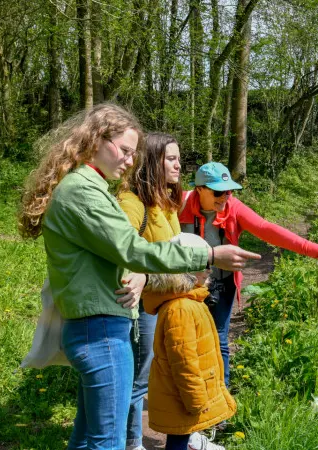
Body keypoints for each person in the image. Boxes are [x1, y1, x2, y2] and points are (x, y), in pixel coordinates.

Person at [17, 104, 259, 450]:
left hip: (96, 326)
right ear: (96, 140)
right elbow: (133, 249)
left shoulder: (88, 187)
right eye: (125, 150)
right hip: (100, 331)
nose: (130, 161)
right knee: (108, 442)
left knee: (88, 438)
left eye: (134, 153)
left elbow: (116, 251)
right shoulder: (84, 192)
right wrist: (207, 254)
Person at [179, 162, 318, 387]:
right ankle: (190, 392)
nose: (225, 197)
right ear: (200, 189)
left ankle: (221, 397)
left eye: (229, 191)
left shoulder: (232, 207)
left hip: (222, 284)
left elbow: (266, 229)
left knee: (219, 339)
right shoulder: (178, 204)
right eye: (218, 192)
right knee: (188, 340)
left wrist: (311, 249)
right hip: (186, 286)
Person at [117, 133, 184, 450]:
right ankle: (131, 441)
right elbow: (120, 251)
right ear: (153, 161)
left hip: (172, 303)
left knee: (173, 373)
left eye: (179, 158)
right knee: (140, 377)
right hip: (145, 307)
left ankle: (184, 435)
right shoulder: (131, 204)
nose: (178, 165)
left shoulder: (168, 203)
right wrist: (141, 274)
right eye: (171, 158)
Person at [144, 233, 236, 450]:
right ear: (184, 268)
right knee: (177, 442)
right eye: (204, 265)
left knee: (181, 439)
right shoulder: (181, 308)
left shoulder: (191, 300)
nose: (209, 271)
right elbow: (183, 360)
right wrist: (196, 398)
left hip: (182, 396)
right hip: (182, 397)